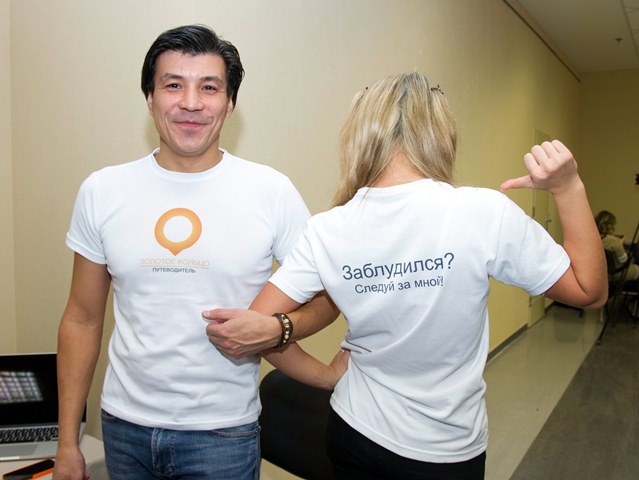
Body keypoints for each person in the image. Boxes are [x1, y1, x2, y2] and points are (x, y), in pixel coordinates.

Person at [204, 73, 608, 479]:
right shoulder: (483, 213)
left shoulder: (329, 229)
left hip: (354, 432)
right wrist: (568, 187)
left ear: (361, 135)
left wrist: (325, 377)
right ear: (440, 133)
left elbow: (248, 329)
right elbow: (589, 291)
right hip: (447, 451)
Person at [54, 24, 339, 480]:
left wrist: (278, 328)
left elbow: (327, 297)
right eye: (173, 85)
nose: (191, 103)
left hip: (222, 436)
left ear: (229, 103)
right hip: (124, 429)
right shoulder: (103, 190)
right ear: (150, 98)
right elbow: (82, 319)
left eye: (209, 87)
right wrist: (67, 442)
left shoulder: (271, 192)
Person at [595, 210, 639, 280]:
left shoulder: (594, 239)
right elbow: (624, 261)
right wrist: (620, 244)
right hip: (617, 273)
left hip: (602, 273)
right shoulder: (613, 241)